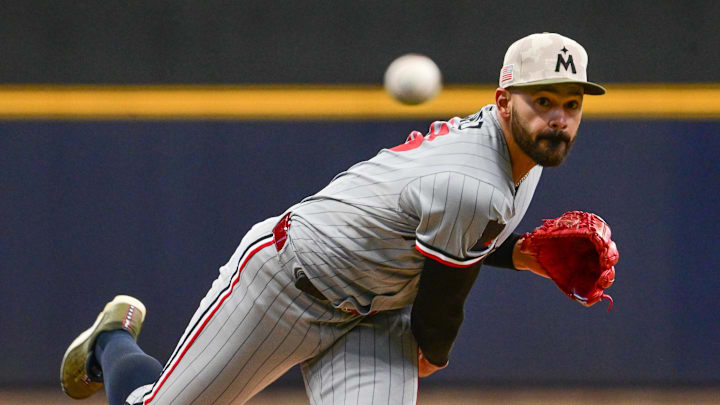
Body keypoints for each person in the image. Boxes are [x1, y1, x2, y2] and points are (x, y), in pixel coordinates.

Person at [61, 32, 607, 405]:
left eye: (571, 105)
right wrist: (433, 355)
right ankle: (111, 341)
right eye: (543, 100)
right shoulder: (474, 180)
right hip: (288, 285)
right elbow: (443, 305)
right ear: (504, 100)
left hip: (379, 310)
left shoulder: (523, 153)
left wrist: (519, 255)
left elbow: (444, 232)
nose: (558, 119)